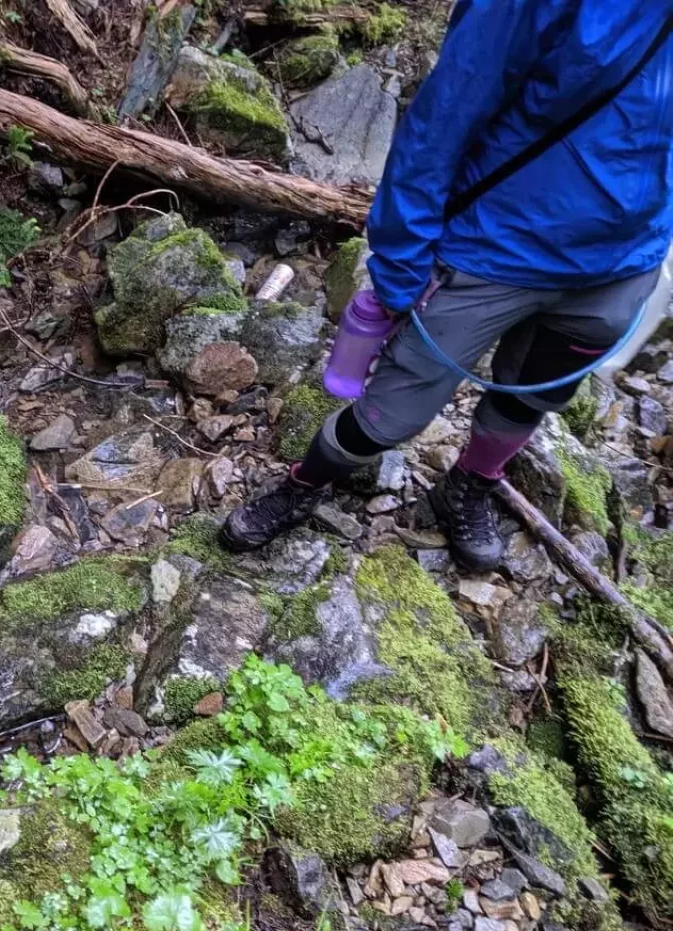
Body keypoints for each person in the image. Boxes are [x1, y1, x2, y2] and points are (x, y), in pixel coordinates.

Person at [220, 0, 673, 571]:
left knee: (533, 397)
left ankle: (470, 484)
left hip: (621, 270)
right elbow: (443, 118)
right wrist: (402, 263)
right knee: (393, 411)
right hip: (492, 249)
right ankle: (305, 482)